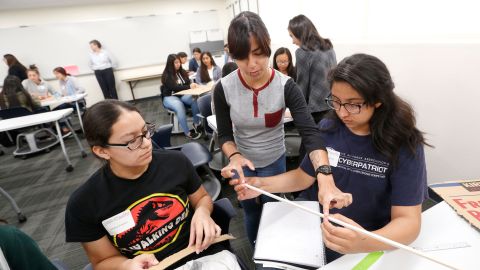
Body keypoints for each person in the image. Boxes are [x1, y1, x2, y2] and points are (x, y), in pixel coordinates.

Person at [232, 53, 429, 263]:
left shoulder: (404, 144)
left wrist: (364, 242)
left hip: (366, 240)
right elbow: (303, 177)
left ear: (378, 100)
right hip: (315, 230)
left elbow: (408, 222)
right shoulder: (329, 129)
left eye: (353, 104)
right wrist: (260, 184)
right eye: (336, 101)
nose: (343, 113)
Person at [214, 11, 351, 245]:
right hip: (243, 163)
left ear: (268, 47)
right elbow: (225, 134)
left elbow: (310, 132)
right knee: (250, 211)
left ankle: (273, 249)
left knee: (273, 210)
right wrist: (234, 156)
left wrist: (325, 175)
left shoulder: (286, 86)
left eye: (258, 54)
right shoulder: (224, 88)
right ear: (233, 56)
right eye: (242, 57)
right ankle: (258, 251)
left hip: (274, 161)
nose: (252, 64)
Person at [65, 100, 240, 269]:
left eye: (145, 131)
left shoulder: (174, 162)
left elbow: (201, 197)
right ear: (102, 151)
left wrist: (202, 212)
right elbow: (103, 261)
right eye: (132, 141)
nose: (147, 143)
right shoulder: (85, 203)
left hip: (202, 252)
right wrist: (126, 265)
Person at [288, 15, 336, 124]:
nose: (292, 41)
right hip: (333, 104)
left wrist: (293, 110)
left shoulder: (303, 52)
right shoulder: (328, 47)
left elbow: (302, 86)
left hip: (316, 109)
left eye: (292, 36)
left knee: (311, 140)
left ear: (300, 33)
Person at [161, 54, 202, 140]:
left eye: (179, 62)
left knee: (195, 98)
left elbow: (186, 84)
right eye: (175, 63)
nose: (178, 64)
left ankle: (196, 123)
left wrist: (191, 85)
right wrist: (189, 86)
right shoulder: (167, 75)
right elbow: (174, 88)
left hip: (181, 95)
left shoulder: (182, 72)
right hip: (169, 97)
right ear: (170, 64)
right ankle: (187, 132)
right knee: (179, 106)